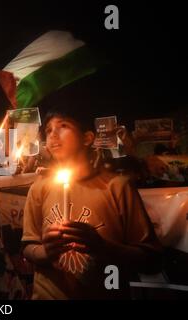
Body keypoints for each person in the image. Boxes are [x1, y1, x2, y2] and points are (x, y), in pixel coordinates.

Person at [21, 106, 162, 299]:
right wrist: (46, 252)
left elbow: (150, 258)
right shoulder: (39, 188)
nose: (53, 134)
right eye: (48, 130)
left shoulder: (117, 187)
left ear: (87, 138)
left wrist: (103, 248)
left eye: (63, 126)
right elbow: (29, 246)